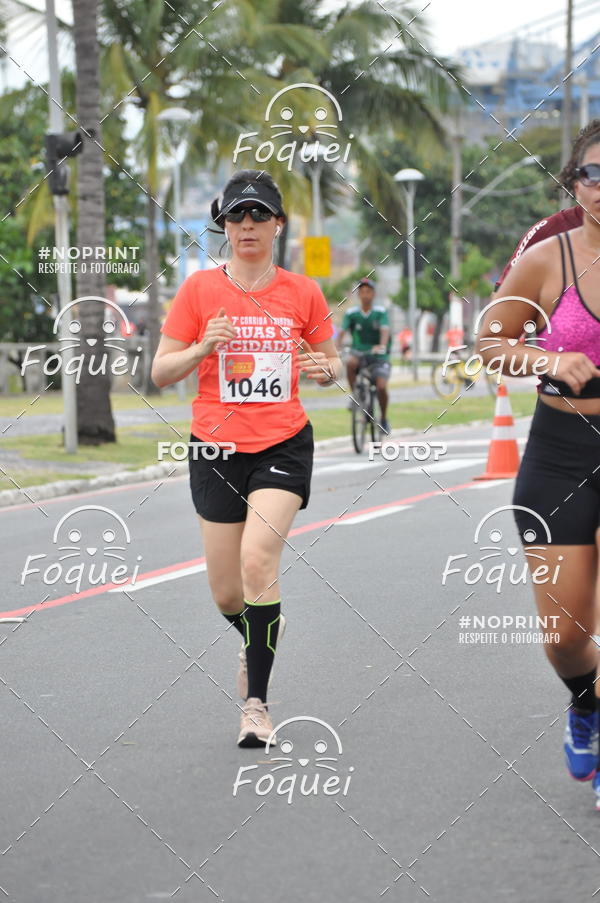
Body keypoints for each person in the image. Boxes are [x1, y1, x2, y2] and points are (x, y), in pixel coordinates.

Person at [151, 169, 341, 748]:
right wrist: (203, 347)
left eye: (260, 215)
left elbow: (331, 365)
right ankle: (259, 630)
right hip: (215, 447)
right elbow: (160, 373)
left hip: (283, 442)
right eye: (237, 216)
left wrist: (323, 370)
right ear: (224, 227)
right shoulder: (199, 292)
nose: (248, 225)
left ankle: (256, 704)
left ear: (278, 225)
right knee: (228, 594)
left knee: (260, 560)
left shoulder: (302, 292)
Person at [476, 119, 600, 807]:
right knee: (564, 636)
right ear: (574, 184)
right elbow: (492, 341)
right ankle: (586, 701)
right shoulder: (547, 259)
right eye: (593, 173)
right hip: (560, 450)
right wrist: (550, 358)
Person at [337, 277, 392, 434]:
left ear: (373, 294)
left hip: (378, 356)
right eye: (361, 292)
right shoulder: (352, 314)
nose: (365, 295)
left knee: (381, 386)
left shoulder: (380, 312)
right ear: (358, 295)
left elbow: (385, 330)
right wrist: (337, 348)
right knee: (351, 363)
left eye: (368, 292)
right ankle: (356, 395)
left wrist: (381, 346)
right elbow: (342, 332)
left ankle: (383, 419)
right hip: (359, 352)